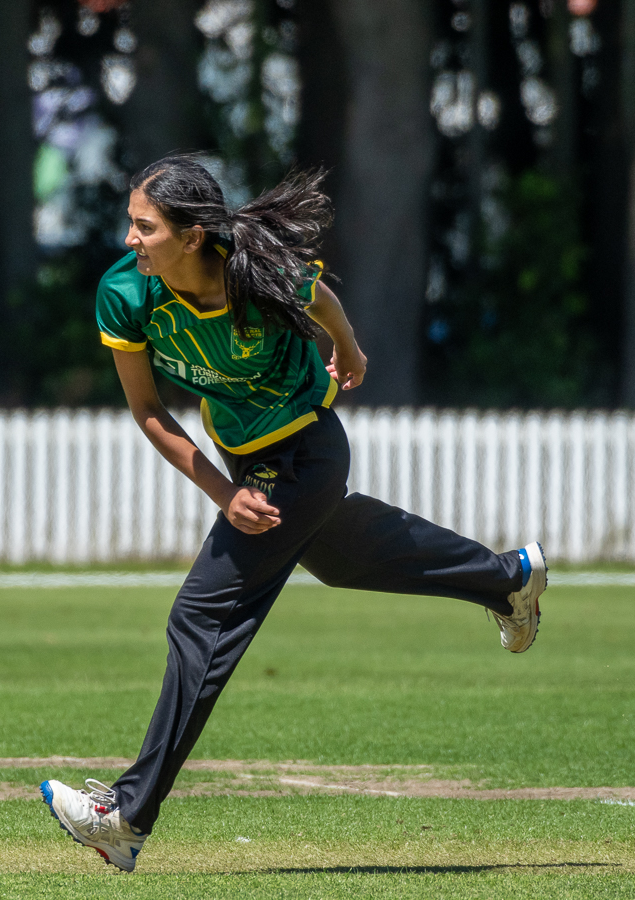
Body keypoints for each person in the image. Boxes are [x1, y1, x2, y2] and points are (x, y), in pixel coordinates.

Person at [39, 155, 547, 871]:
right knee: (343, 558)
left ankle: (127, 816)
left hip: (306, 451)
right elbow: (149, 412)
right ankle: (506, 578)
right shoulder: (125, 292)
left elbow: (322, 300)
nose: (130, 239)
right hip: (245, 460)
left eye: (145, 227)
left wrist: (349, 351)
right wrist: (224, 492)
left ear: (191, 236)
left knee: (200, 616)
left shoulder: (256, 273)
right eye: (131, 223)